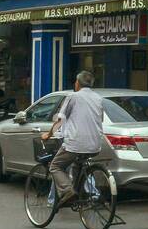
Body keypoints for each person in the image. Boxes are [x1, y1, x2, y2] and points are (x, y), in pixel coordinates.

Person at [42, 71, 105, 207]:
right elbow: (101, 119)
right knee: (77, 167)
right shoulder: (98, 98)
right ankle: (80, 195)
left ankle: (67, 190)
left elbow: (61, 119)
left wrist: (49, 134)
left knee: (55, 166)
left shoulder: (73, 97)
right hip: (95, 144)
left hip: (75, 143)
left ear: (77, 83)